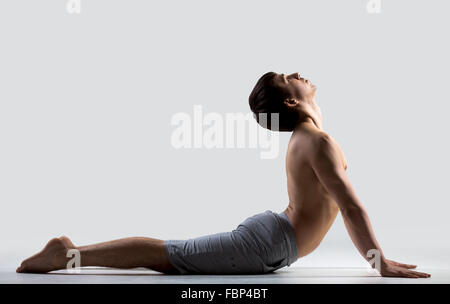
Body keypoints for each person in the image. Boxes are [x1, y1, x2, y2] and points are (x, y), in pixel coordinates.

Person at [16, 72, 430, 278]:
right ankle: (68, 253)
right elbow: (351, 205)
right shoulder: (315, 141)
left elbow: (345, 203)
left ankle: (69, 253)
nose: (299, 73)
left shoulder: (312, 139)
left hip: (273, 241)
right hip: (267, 242)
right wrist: (379, 262)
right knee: (168, 256)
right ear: (290, 99)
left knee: (171, 255)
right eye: (290, 77)